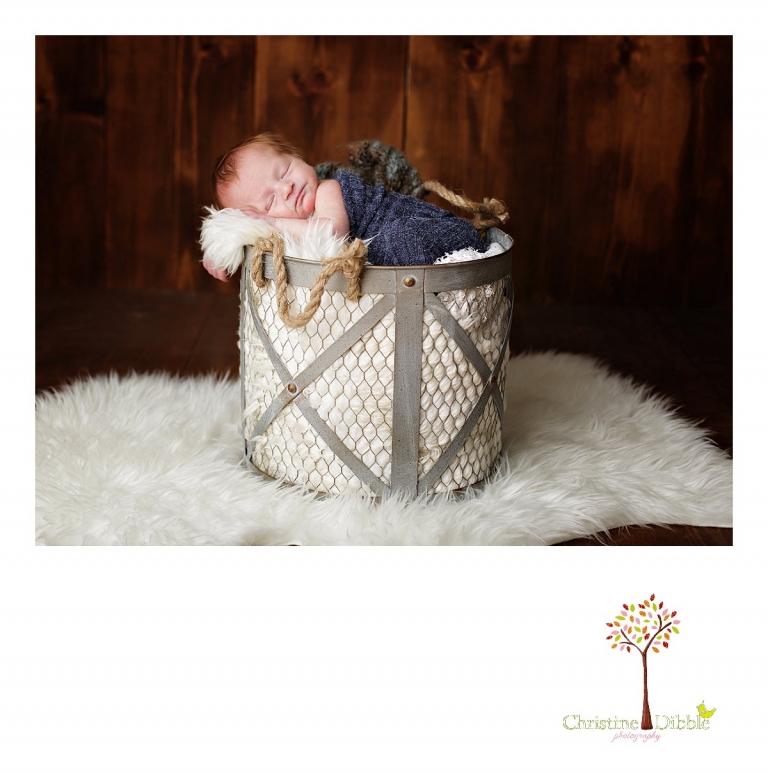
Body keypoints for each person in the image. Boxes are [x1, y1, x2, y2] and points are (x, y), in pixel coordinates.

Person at [203, 133, 487, 280]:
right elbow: (244, 234)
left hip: (444, 235)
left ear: (298, 157)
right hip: (418, 252)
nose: (286, 188)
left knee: (395, 240)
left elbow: (332, 232)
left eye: (285, 171)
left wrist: (273, 221)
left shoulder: (329, 188)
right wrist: (221, 251)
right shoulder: (287, 230)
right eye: (271, 200)